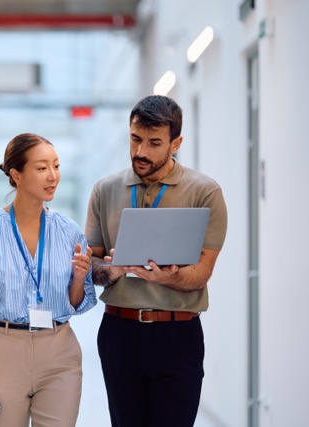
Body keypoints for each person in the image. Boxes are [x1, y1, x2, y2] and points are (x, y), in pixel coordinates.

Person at [85, 95, 228, 427]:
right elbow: (91, 268)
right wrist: (113, 271)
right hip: (118, 332)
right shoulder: (105, 190)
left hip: (177, 335)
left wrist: (168, 279)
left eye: (153, 143)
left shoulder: (205, 193)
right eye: (135, 139)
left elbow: (202, 273)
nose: (140, 152)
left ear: (175, 143)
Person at [0, 133, 97, 427]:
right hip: (4, 351)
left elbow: (76, 302)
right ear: (16, 175)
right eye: (42, 168)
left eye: (56, 166)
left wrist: (80, 278)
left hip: (60, 352)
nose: (53, 176)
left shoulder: (69, 232)